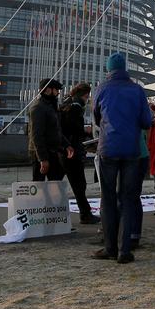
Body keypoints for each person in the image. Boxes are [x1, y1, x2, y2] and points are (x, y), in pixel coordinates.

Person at [91, 52, 152, 264]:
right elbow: (147, 121)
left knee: (107, 199)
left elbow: (96, 117)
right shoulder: (137, 90)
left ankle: (110, 247)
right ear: (125, 68)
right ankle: (125, 250)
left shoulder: (101, 89)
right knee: (127, 198)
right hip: (131, 150)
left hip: (107, 148)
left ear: (109, 69)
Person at [60, 82, 98, 224]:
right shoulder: (75, 108)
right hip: (72, 150)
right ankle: (85, 214)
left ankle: (51, 212)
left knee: (58, 181)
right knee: (79, 184)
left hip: (62, 150)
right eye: (87, 97)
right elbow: (74, 130)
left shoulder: (65, 103)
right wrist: (85, 132)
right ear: (83, 95)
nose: (87, 100)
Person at [29, 79, 73, 182]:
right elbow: (36, 135)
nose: (58, 93)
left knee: (55, 183)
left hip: (53, 150)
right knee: (39, 184)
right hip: (40, 153)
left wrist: (67, 145)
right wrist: (43, 159)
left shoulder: (51, 106)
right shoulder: (38, 108)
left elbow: (56, 130)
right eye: (56, 90)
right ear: (48, 90)